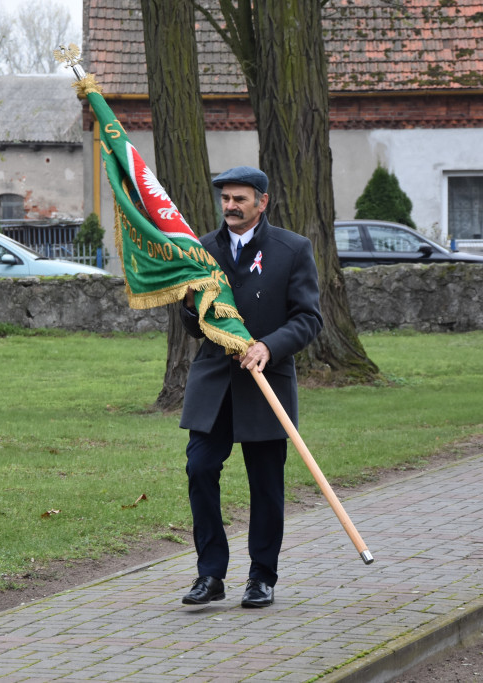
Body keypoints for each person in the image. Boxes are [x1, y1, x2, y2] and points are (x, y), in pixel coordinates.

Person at [177, 166, 323, 608]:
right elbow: (195, 326)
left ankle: (262, 577)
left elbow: (308, 318)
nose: (230, 207)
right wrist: (187, 304)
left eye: (239, 199)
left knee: (265, 484)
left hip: (266, 382)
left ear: (262, 201)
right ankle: (210, 574)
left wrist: (269, 346)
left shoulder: (292, 249)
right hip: (214, 383)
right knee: (199, 469)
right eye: (225, 199)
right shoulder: (201, 249)